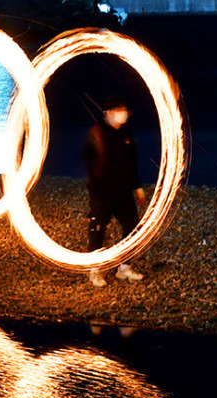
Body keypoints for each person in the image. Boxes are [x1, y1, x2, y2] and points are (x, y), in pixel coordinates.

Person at [83, 95, 146, 287]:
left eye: (125, 110)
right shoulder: (98, 133)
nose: (123, 114)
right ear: (109, 113)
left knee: (133, 227)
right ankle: (94, 271)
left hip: (123, 191)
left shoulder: (126, 134)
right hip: (102, 192)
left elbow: (132, 163)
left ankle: (124, 268)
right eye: (119, 111)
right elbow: (90, 162)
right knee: (98, 229)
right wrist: (96, 188)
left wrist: (138, 187)